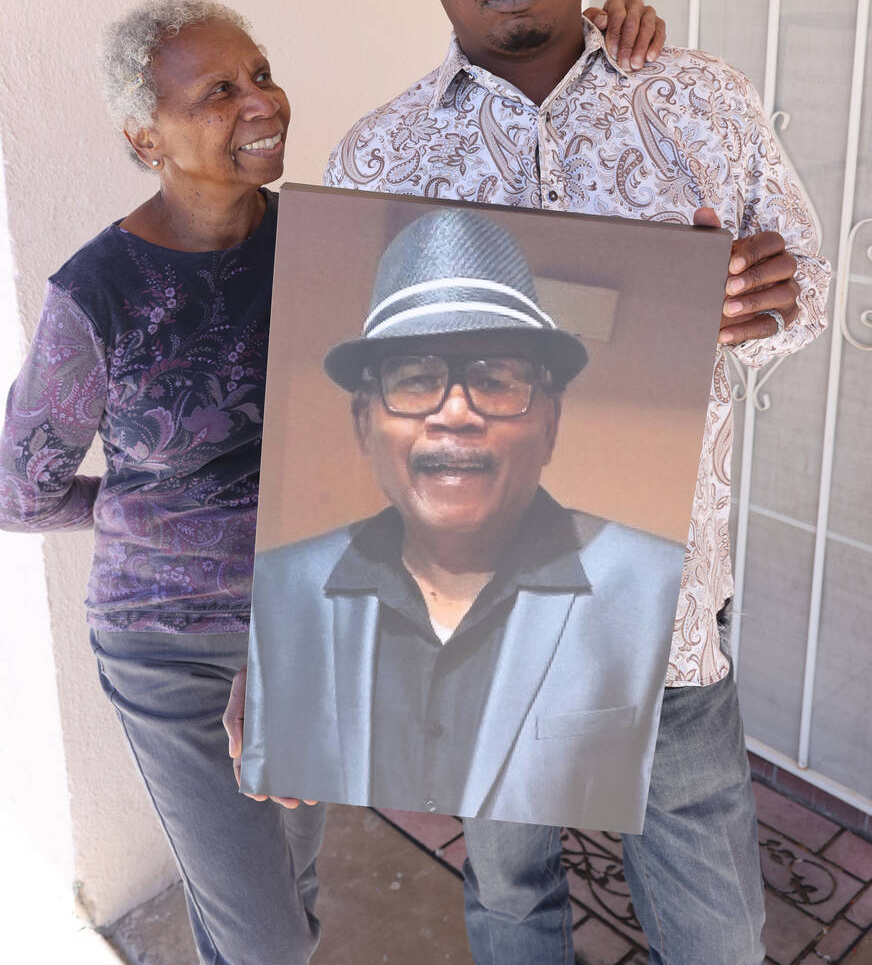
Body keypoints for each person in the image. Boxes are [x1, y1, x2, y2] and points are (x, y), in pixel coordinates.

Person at [233, 0, 831, 965]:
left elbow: (796, 287)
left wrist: (765, 306)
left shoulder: (699, 103)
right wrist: (285, 652)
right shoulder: (378, 162)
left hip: (665, 636)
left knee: (720, 933)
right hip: (473, 636)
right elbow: (324, 416)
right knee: (510, 903)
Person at [0, 0, 664, 964]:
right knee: (262, 933)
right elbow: (20, 486)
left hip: (314, 615)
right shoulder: (98, 296)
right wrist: (144, 507)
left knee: (291, 867)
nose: (261, 101)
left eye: (260, 74)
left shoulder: (329, 242)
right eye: (219, 91)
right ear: (147, 136)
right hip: (170, 649)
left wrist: (593, 41)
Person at [240, 206, 686, 831]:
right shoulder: (280, 589)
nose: (455, 414)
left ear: (550, 425)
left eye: (496, 379)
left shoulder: (661, 586)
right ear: (364, 423)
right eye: (417, 378)